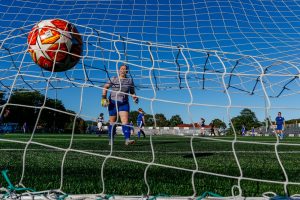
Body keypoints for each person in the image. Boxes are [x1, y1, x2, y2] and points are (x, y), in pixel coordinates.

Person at [101, 64, 138, 145]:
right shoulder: (114, 78)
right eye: (121, 68)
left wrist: (134, 97)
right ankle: (111, 140)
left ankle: (127, 139)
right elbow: (105, 87)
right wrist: (103, 98)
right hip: (112, 103)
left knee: (125, 121)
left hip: (124, 103)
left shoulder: (130, 81)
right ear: (118, 70)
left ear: (127, 71)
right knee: (112, 122)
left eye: (124, 69)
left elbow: (132, 91)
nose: (122, 70)